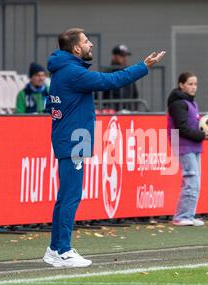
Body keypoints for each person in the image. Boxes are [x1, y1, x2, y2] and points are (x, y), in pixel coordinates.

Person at [42, 28, 165, 268]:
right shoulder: (72, 72)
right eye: (87, 41)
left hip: (70, 138)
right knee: (70, 197)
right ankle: (64, 250)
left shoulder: (60, 71)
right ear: (76, 48)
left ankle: (55, 249)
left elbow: (51, 105)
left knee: (64, 198)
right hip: (75, 140)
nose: (91, 45)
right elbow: (111, 81)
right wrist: (143, 66)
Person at [167, 72, 208, 227]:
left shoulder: (191, 103)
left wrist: (204, 133)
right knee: (191, 180)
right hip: (183, 146)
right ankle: (181, 216)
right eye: (190, 84)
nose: (194, 87)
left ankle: (189, 214)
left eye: (195, 84)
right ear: (181, 85)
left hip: (193, 145)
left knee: (195, 182)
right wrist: (202, 135)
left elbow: (192, 125)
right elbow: (181, 128)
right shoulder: (178, 103)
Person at [101, 44, 139, 111]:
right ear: (114, 56)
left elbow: (135, 94)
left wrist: (135, 109)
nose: (125, 58)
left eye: (125, 56)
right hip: (112, 113)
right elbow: (100, 95)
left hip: (128, 112)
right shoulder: (107, 73)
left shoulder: (129, 72)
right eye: (122, 56)